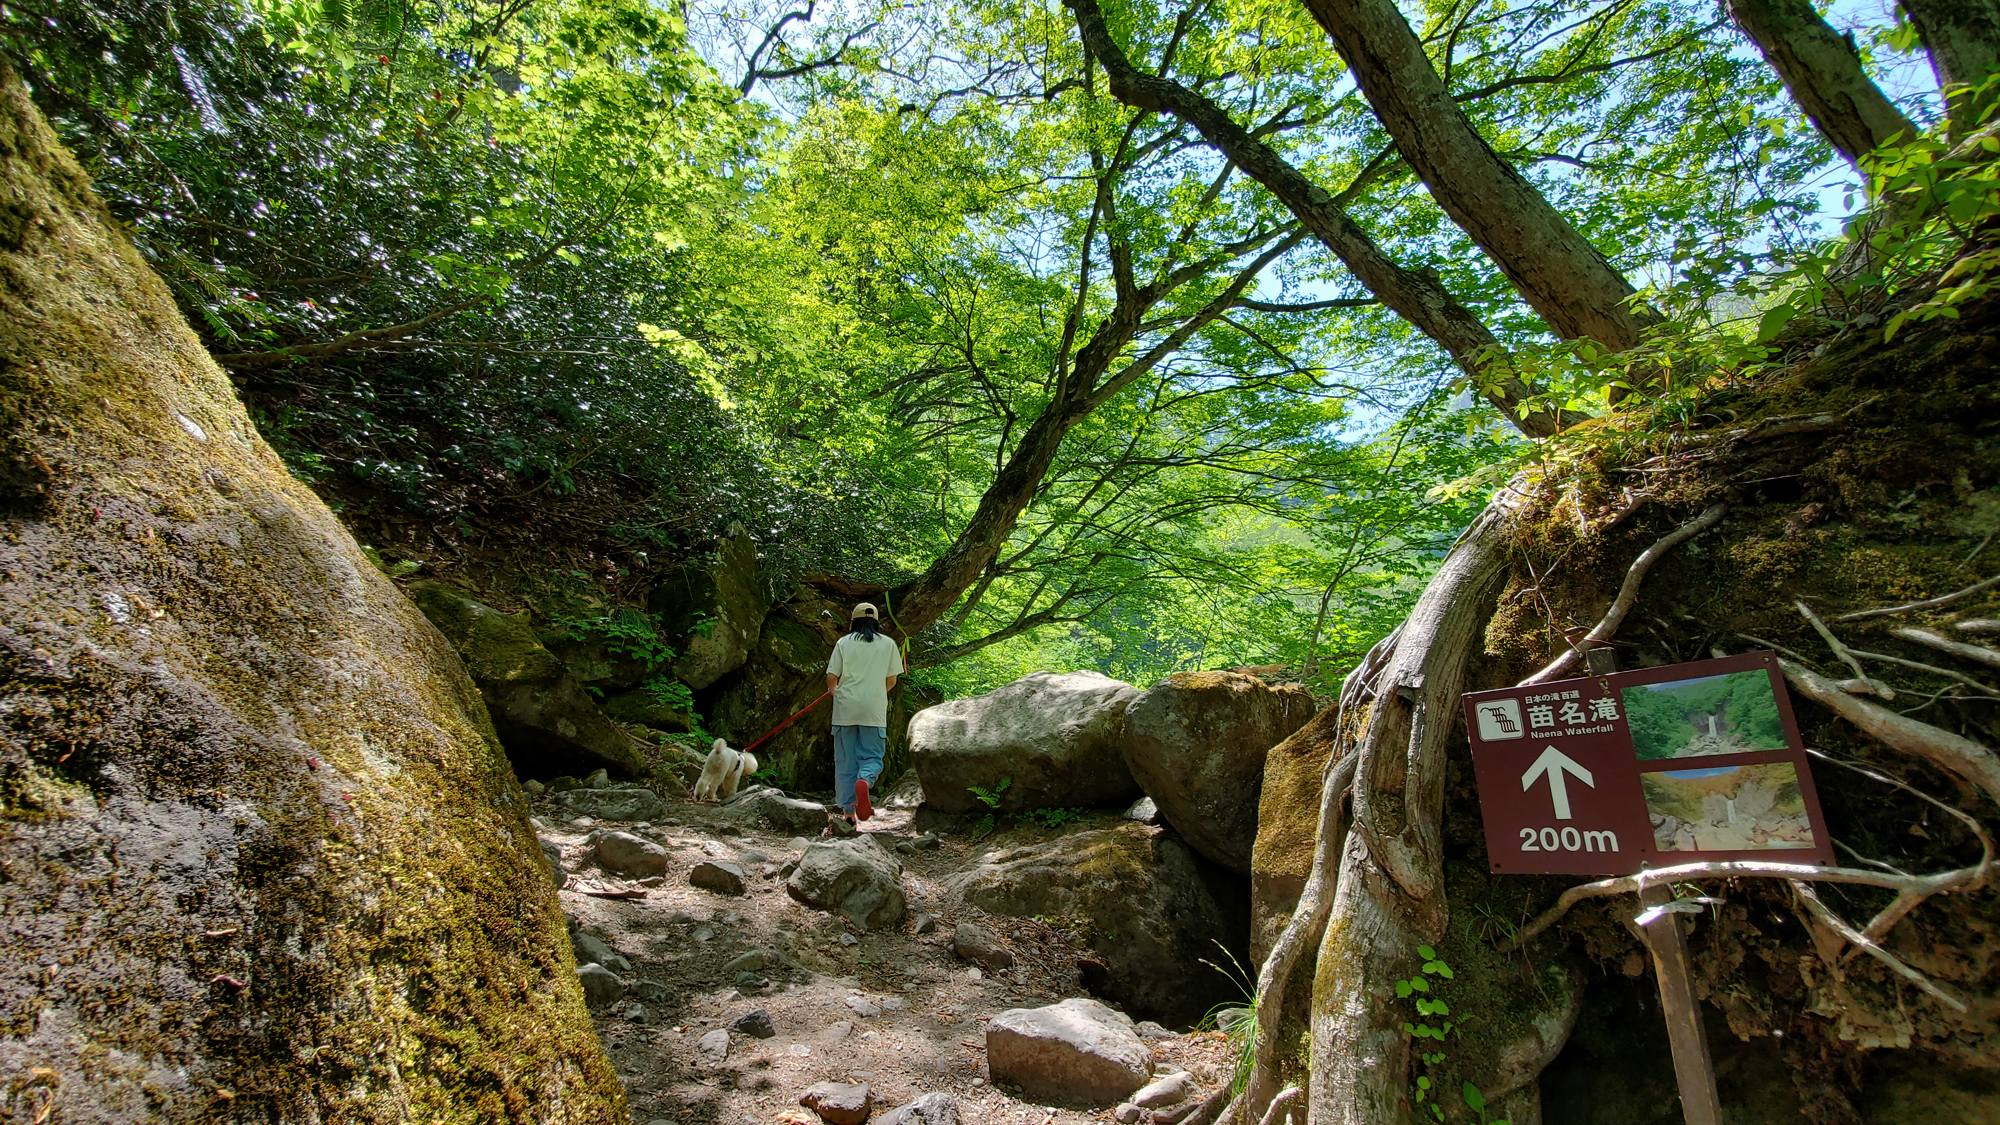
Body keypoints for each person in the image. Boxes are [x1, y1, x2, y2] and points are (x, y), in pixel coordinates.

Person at [826, 602, 904, 824]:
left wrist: (834, 691)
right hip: (874, 711)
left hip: (845, 710)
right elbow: (891, 680)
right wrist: (874, 693)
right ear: (876, 622)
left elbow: (832, 678)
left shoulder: (843, 643)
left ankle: (849, 815)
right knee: (872, 756)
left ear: (853, 622)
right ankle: (865, 779)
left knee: (845, 761)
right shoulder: (888, 644)